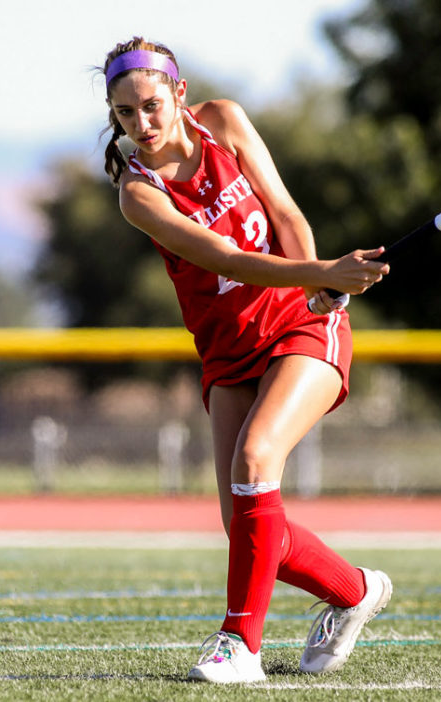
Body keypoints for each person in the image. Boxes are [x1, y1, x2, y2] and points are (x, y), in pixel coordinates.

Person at [99, 37, 393, 684]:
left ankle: (239, 646)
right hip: (229, 353)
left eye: (151, 105)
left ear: (178, 93)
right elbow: (225, 258)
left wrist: (321, 290)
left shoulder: (225, 120)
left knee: (257, 459)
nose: (141, 125)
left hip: (298, 325)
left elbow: (283, 209)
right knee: (247, 528)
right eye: (125, 114)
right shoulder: (138, 194)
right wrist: (321, 268)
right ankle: (354, 591)